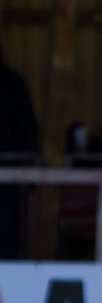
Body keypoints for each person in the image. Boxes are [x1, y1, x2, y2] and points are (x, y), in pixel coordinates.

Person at [0, 44, 39, 259]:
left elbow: (27, 135)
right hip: (9, 182)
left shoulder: (12, 83)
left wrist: (30, 180)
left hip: (7, 179)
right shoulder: (14, 82)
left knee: (6, 244)